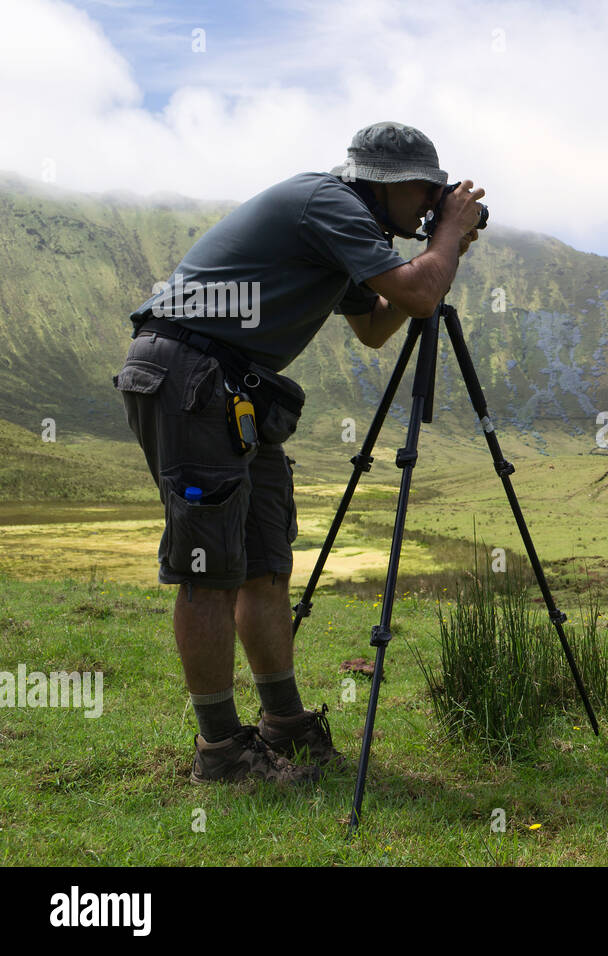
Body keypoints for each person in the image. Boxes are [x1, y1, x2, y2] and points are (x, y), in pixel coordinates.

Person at [113, 122, 485, 784]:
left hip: (234, 386)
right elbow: (419, 293)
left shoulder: (349, 228)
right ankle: (222, 752)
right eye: (425, 190)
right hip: (190, 372)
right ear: (386, 183)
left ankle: (283, 726)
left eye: (437, 193)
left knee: (263, 565)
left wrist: (433, 253)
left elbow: (376, 324)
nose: (431, 201)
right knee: (209, 567)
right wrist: (445, 242)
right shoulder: (331, 203)